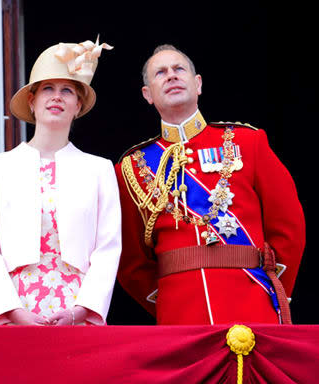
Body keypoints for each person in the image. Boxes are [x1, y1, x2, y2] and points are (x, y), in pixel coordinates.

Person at [116, 45, 305, 325]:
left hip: (252, 302)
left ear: (198, 84)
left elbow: (289, 227)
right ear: (148, 95)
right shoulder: (130, 167)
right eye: (160, 72)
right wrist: (166, 302)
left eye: (179, 69)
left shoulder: (247, 142)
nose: (171, 76)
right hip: (178, 313)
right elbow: (131, 261)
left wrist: (272, 291)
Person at [0, 39, 121, 326]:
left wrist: (80, 312)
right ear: (32, 101)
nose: (57, 97)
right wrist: (14, 313)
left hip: (76, 309)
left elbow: (108, 247)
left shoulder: (99, 170)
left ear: (78, 105)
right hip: (16, 309)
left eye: (67, 90)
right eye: (47, 89)